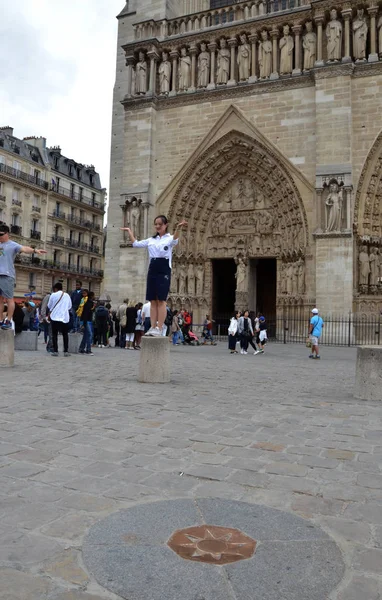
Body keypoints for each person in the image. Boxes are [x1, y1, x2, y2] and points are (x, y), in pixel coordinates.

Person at [121, 215, 187, 336]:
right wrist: (130, 232)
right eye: (155, 224)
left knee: (161, 300)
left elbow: (175, 239)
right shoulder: (151, 240)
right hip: (153, 267)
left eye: (160, 224)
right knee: (152, 300)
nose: (157, 226)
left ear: (165, 225)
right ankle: (152, 326)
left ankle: (160, 327)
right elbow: (136, 244)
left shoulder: (169, 238)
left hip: (164, 267)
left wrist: (178, 228)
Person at [0, 222, 46, 330]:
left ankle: (8, 320)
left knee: (9, 299)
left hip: (7, 275)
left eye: (1, 234)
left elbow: (24, 249)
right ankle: (1, 320)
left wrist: (35, 250)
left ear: (7, 234)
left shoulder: (12, 245)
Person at [47, 282, 72, 357]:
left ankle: (55, 351)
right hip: (64, 317)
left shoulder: (53, 295)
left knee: (54, 334)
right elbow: (69, 306)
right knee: (65, 334)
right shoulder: (67, 295)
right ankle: (66, 351)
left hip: (54, 317)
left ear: (55, 288)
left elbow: (49, 306)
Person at [78, 289, 95, 355]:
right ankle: (88, 350)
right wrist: (84, 323)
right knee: (89, 334)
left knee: (85, 335)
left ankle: (81, 348)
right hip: (86, 320)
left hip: (85, 320)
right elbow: (86, 313)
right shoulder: (89, 302)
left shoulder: (85, 301)